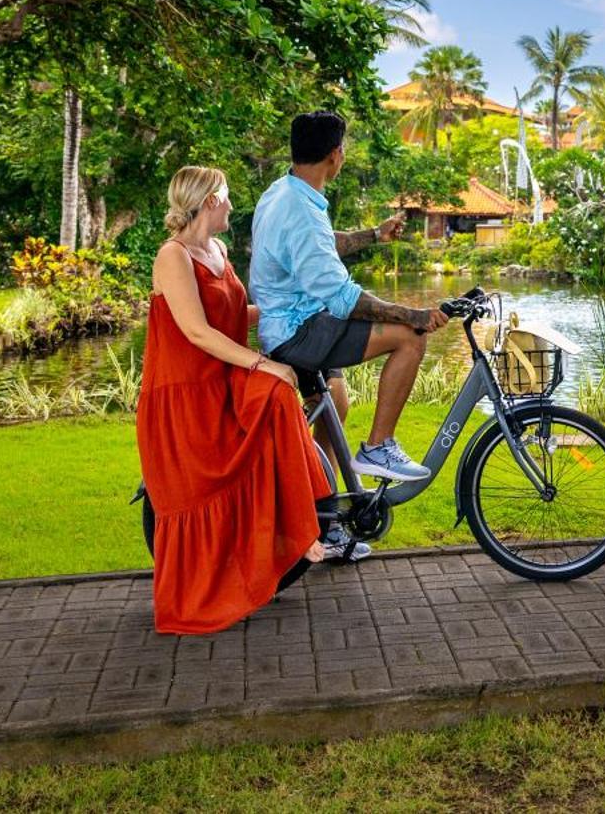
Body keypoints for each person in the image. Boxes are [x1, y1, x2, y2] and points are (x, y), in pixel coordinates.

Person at [135, 166, 333, 635]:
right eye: (225, 197)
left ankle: (301, 525)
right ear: (208, 202)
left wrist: (300, 309)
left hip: (221, 379)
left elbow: (229, 313)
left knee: (281, 401)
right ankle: (300, 532)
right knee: (278, 387)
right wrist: (263, 364)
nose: (231, 204)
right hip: (185, 392)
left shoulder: (218, 251)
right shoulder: (173, 256)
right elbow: (197, 330)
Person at [251, 110, 448, 486]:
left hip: (290, 325)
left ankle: (322, 513)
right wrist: (412, 315)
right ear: (335, 155)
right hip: (299, 332)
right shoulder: (302, 212)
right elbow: (342, 299)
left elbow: (322, 246)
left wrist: (374, 234)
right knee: (410, 339)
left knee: (335, 406)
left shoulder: (284, 192)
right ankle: (378, 447)